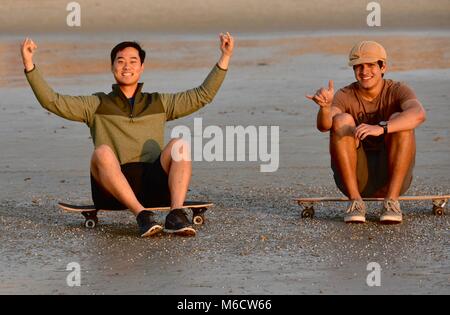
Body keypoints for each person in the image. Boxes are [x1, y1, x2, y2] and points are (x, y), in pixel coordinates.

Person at [21, 33, 234, 237]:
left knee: (180, 144)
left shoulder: (158, 102)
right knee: (102, 152)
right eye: (120, 61)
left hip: (154, 185)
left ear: (141, 67)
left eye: (133, 61)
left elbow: (201, 96)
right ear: (112, 66)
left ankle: (176, 214)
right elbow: (53, 101)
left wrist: (224, 57)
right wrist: (29, 64)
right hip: (112, 191)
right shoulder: (96, 104)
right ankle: (142, 215)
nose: (127, 66)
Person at [306, 41, 426, 224]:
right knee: (341, 120)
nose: (364, 71)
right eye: (359, 66)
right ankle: (355, 203)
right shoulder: (345, 94)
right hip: (354, 180)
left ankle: (392, 203)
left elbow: (419, 114)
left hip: (393, 179)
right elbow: (324, 126)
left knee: (400, 120)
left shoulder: (398, 90)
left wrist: (382, 128)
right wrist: (325, 107)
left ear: (383, 66)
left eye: (371, 65)